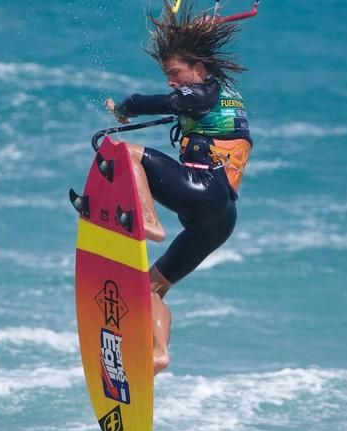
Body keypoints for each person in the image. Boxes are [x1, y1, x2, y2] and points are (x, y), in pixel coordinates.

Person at [104, 1, 252, 375]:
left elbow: (166, 100)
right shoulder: (221, 89)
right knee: (150, 288)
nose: (170, 80)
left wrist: (126, 106)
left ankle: (148, 222)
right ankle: (158, 354)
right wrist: (191, 28)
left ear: (199, 69)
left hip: (206, 191)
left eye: (175, 72)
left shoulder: (204, 92)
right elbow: (183, 91)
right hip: (219, 218)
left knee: (126, 155)